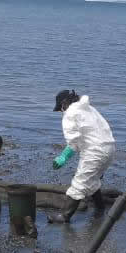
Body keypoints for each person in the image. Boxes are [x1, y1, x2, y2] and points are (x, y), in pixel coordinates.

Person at [49, 89, 116, 223]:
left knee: (80, 181)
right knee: (92, 178)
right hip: (110, 148)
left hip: (94, 151)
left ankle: (64, 216)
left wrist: (63, 158)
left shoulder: (70, 114)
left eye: (61, 109)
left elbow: (74, 143)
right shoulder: (89, 109)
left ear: (64, 103)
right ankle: (100, 207)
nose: (61, 111)